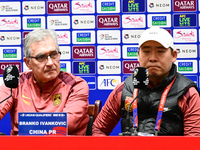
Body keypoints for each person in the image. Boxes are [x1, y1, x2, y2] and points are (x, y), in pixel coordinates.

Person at [92, 27, 200, 136]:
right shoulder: (124, 89)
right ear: (138, 55)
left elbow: (194, 140)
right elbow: (99, 129)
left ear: (174, 55)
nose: (153, 58)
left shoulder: (188, 93)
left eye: (160, 51)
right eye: (146, 51)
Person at [0, 28, 89, 135]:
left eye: (54, 54)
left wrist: (27, 129)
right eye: (41, 57)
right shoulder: (15, 83)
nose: (50, 63)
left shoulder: (76, 85)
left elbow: (68, 123)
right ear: (28, 62)